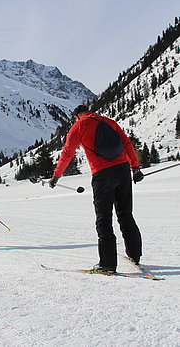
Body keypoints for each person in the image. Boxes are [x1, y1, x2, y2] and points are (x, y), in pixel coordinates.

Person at [49, 104, 144, 272]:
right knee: (125, 214)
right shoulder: (109, 121)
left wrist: (56, 176)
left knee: (104, 219)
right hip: (123, 170)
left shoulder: (78, 127)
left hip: (102, 175)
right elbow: (127, 143)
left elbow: (67, 153)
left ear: (76, 116)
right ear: (89, 111)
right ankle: (135, 255)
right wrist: (135, 167)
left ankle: (107, 264)